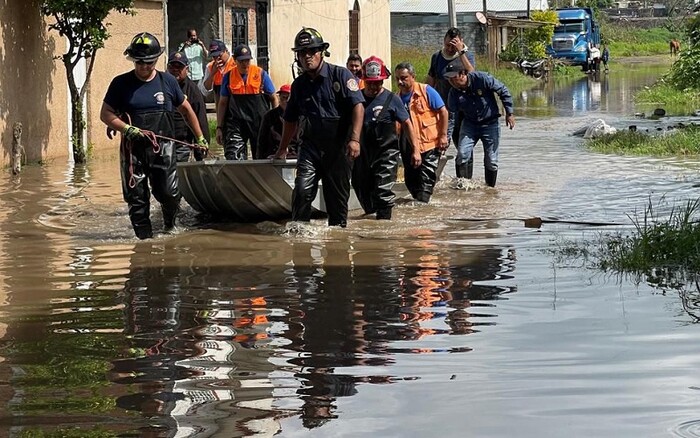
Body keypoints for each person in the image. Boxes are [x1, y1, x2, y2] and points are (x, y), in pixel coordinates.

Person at [100, 32, 208, 239]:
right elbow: (106, 114)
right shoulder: (120, 84)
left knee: (169, 194)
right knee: (137, 199)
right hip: (133, 151)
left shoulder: (167, 82)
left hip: (164, 148)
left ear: (156, 60)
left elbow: (186, 110)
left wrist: (200, 137)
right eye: (139, 62)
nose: (144, 67)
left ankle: (169, 227)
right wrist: (126, 129)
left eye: (148, 62)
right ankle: (144, 240)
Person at [274, 27, 364, 228]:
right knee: (302, 190)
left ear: (321, 52)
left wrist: (355, 139)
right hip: (311, 148)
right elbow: (290, 120)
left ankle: (337, 246)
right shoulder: (298, 85)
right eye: (302, 53)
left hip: (339, 148)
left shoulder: (340, 75)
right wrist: (282, 149)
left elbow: (358, 106)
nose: (307, 57)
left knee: (337, 204)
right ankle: (299, 237)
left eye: (312, 52)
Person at [352, 56, 419, 220]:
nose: (374, 86)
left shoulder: (392, 99)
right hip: (362, 154)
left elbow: (407, 124)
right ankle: (371, 224)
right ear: (363, 80)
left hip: (386, 153)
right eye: (370, 83)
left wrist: (416, 150)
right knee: (360, 187)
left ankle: (384, 229)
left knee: (382, 191)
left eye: (378, 82)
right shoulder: (356, 99)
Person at [443, 58, 515, 188]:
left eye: (453, 77)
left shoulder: (482, 78)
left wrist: (509, 113)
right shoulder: (453, 93)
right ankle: (463, 187)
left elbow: (503, 90)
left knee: (491, 161)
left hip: (490, 123)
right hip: (469, 124)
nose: (451, 81)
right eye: (449, 79)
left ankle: (490, 191)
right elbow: (451, 118)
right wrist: (446, 138)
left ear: (463, 73)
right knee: (462, 154)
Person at [394, 61, 448, 203]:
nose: (400, 82)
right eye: (397, 78)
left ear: (413, 77)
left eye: (404, 78)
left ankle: (423, 207)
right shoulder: (396, 98)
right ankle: (419, 204)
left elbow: (443, 112)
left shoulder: (426, 91)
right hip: (409, 146)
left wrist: (443, 136)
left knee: (426, 179)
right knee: (410, 181)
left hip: (430, 143)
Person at [426, 27, 476, 174]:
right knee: (439, 145)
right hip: (442, 110)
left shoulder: (467, 56)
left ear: (460, 42)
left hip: (463, 111)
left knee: (464, 148)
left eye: (452, 46)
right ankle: (433, 179)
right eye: (447, 45)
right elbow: (430, 81)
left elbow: (473, 76)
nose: (449, 48)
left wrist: (461, 52)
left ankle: (464, 182)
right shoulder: (437, 57)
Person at [216, 44, 277, 160]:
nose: (245, 64)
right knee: (233, 157)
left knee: (262, 157)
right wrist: (219, 127)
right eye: (241, 61)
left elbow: (274, 98)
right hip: (236, 123)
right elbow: (223, 103)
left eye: (247, 60)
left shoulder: (261, 74)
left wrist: (275, 123)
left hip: (259, 122)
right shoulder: (228, 77)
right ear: (235, 60)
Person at [166, 50, 210, 162]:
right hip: (162, 142)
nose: (175, 70)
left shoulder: (193, 91)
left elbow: (201, 119)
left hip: (182, 144)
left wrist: (201, 146)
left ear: (187, 69)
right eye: (172, 66)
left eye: (179, 67)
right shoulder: (160, 85)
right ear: (167, 67)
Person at [258, 84, 302, 159]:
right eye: (283, 98)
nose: (286, 101)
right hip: (274, 155)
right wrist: (260, 158)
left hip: (295, 155)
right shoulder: (269, 116)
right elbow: (262, 140)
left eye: (288, 98)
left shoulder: (300, 115)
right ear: (279, 98)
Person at [203, 39, 235, 109]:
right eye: (214, 57)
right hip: (220, 104)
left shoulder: (236, 63)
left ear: (226, 51)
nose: (217, 59)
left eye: (219, 55)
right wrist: (212, 73)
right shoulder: (210, 66)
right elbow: (206, 88)